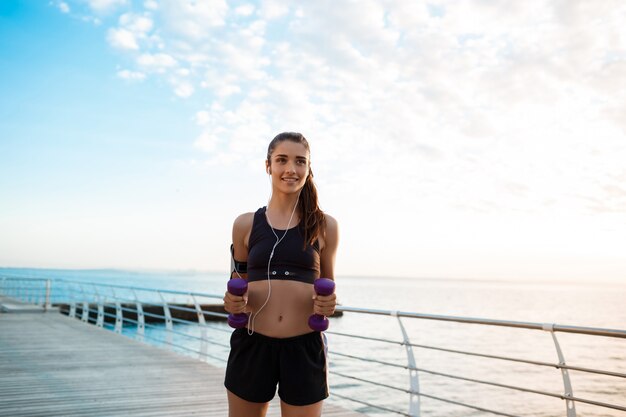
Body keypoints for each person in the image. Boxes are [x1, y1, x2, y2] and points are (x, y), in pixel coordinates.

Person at [223, 132, 339, 417]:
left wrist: (329, 304)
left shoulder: (325, 226)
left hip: (304, 347)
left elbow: (330, 291)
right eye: (282, 160)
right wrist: (232, 302)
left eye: (300, 161)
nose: (291, 169)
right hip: (252, 342)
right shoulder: (245, 224)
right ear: (268, 166)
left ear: (308, 169)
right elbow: (237, 285)